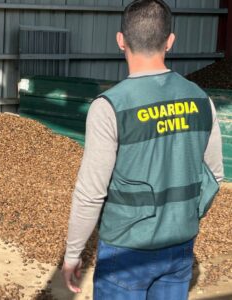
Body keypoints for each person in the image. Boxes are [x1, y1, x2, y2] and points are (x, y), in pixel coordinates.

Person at [60, 0, 224, 299]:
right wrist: (183, 216)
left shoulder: (109, 107)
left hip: (126, 250)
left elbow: (91, 192)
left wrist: (73, 253)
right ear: (170, 41)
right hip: (179, 248)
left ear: (120, 40)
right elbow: (214, 175)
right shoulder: (202, 100)